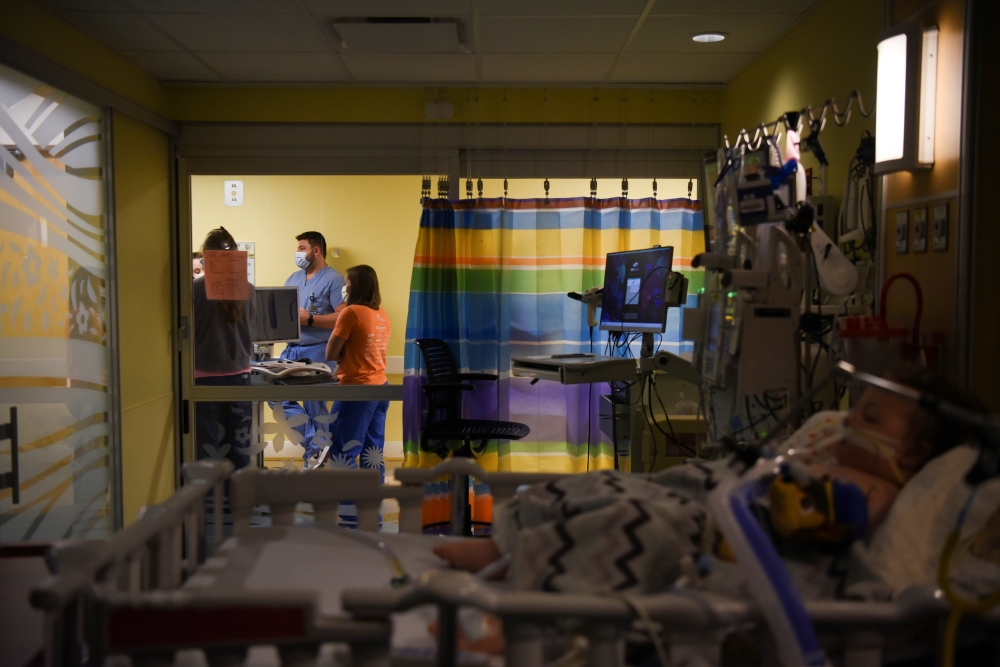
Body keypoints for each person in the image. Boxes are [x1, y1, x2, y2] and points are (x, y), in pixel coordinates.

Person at [433, 366, 988, 597]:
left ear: (911, 452)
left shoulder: (879, 490)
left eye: (870, 419)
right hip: (712, 490)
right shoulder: (829, 453)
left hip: (726, 532)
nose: (848, 423)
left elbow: (828, 526)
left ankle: (522, 591)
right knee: (610, 484)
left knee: (643, 523)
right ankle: (507, 542)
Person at [275, 231, 345, 464]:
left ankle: (317, 457)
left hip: (318, 349)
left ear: (316, 251)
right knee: (276, 395)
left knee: (315, 403)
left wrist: (311, 320)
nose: (297, 253)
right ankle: (316, 447)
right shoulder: (293, 279)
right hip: (292, 350)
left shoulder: (334, 280)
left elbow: (342, 318)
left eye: (301, 247)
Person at [320, 264, 391, 479]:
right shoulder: (381, 313)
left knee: (343, 449)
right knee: (372, 450)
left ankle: (348, 505)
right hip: (381, 387)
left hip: (356, 390)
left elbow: (331, 353)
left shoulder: (351, 312)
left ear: (355, 285)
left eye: (346, 282)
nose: (344, 287)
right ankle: (370, 500)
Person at [192, 227, 254, 470]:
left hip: (204, 378)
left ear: (207, 257)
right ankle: (238, 502)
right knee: (239, 447)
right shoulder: (248, 288)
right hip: (240, 375)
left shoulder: (195, 288)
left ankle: (209, 504)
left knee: (206, 449)